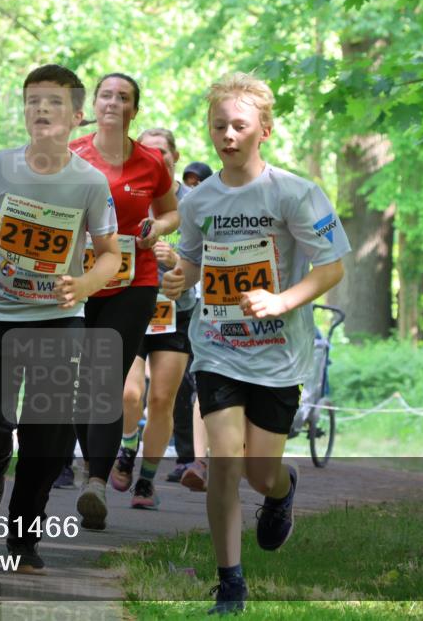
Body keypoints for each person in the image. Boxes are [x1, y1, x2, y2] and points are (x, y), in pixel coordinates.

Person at [162, 72, 349, 614]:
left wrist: (283, 301)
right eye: (218, 125)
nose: (228, 135)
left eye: (239, 125)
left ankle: (282, 489)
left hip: (277, 354)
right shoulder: (199, 199)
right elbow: (194, 259)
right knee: (224, 459)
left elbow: (332, 266)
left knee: (258, 472)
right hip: (218, 347)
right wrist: (182, 277)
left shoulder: (294, 192)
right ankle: (231, 583)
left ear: (263, 129)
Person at [0, 64, 120, 572]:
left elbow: (111, 254)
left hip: (58, 315)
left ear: (77, 115)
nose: (42, 110)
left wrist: (85, 283)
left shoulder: (91, 182)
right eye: (32, 101)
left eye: (53, 102)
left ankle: (24, 536)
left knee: (48, 434)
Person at [68, 73, 178, 530]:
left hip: (134, 281)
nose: (114, 102)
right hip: (80, 279)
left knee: (107, 377)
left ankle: (95, 482)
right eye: (107, 95)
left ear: (135, 110)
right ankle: (92, 466)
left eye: (124, 97)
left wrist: (160, 228)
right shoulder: (72, 154)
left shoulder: (151, 162)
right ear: (95, 105)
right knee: (80, 381)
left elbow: (171, 209)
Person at [108, 127, 199, 509]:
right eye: (149, 150)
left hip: (175, 310)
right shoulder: (128, 193)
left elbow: (211, 256)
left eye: (163, 152)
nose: (156, 157)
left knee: (162, 399)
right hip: (132, 302)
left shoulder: (193, 202)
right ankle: (128, 445)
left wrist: (175, 261)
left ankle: (146, 480)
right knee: (130, 392)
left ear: (174, 157)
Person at [166, 161, 213, 487]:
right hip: (154, 305)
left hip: (190, 307)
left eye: (200, 182)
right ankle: (193, 460)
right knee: (180, 388)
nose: (193, 186)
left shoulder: (196, 205)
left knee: (193, 385)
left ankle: (195, 459)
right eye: (189, 180)